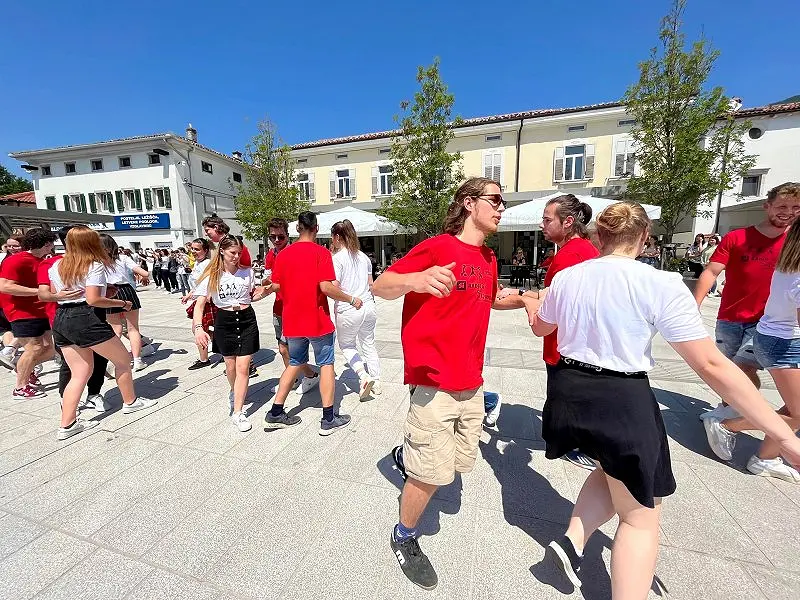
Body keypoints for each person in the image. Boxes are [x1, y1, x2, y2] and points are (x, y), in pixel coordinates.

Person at [526, 201, 800, 598]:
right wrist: (786, 436)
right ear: (643, 239)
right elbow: (710, 364)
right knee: (640, 516)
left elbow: (541, 329)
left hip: (569, 391)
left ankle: (573, 539)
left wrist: (532, 304)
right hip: (621, 397)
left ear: (599, 237)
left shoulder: (568, 277)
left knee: (611, 468)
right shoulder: (660, 283)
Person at [372, 177, 538, 590]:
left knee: (458, 464)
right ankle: (404, 535)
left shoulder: (487, 257)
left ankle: (404, 456)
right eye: (496, 200)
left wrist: (524, 298)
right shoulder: (437, 248)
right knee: (430, 475)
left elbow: (488, 296)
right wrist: (416, 279)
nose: (502, 208)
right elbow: (381, 285)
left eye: (503, 202)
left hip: (472, 382)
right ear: (469, 203)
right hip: (433, 382)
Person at [704, 216, 800, 483]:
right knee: (797, 412)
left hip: (777, 337)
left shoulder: (788, 265)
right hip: (786, 342)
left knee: (794, 409)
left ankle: (765, 458)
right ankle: (727, 425)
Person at [695, 182, 800, 421]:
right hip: (730, 316)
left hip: (767, 322)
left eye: (796, 207)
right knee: (726, 369)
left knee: (744, 368)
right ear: (767, 206)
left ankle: (739, 415)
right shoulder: (737, 237)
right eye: (782, 205)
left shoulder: (795, 245)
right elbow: (711, 272)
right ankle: (728, 408)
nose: (789, 211)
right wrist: (695, 305)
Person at [49, 226, 157, 440]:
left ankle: (67, 423)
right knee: (123, 361)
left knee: (79, 372)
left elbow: (58, 293)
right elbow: (93, 300)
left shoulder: (57, 265)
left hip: (61, 317)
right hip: (86, 318)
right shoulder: (93, 265)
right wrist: (122, 303)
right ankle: (131, 402)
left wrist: (104, 291)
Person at [262, 211, 362, 435]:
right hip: (317, 320)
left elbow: (276, 284)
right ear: (316, 228)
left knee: (295, 362)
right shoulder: (321, 253)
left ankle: (276, 412)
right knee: (326, 364)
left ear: (297, 229)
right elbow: (325, 287)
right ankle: (328, 418)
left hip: (292, 320)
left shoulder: (284, 255)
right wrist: (351, 299)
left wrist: (264, 290)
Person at [538, 194, 601, 470]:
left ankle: (577, 446)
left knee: (567, 396)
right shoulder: (583, 250)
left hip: (565, 343)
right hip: (575, 341)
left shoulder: (570, 257)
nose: (542, 224)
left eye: (547, 219)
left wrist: (527, 301)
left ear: (568, 222)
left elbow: (552, 302)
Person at [193, 235, 269, 432]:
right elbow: (199, 304)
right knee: (230, 365)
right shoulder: (213, 275)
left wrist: (266, 291)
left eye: (239, 253)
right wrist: (198, 328)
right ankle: (234, 391)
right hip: (224, 321)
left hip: (246, 319)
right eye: (232, 253)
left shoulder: (248, 273)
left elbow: (253, 295)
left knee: (244, 367)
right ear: (222, 252)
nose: (236, 257)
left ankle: (238, 412)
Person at [37, 226, 109, 412]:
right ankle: (67, 400)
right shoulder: (51, 264)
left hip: (93, 312)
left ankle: (94, 393)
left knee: (99, 358)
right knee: (71, 364)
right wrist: (61, 296)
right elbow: (44, 294)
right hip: (67, 315)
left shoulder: (91, 261)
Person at [262, 218, 319, 394]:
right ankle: (303, 376)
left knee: (288, 349)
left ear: (288, 234)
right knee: (284, 349)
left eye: (281, 236)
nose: (277, 240)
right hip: (278, 307)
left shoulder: (295, 252)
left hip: (295, 309)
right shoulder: (271, 255)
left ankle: (303, 377)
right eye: (273, 237)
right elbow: (269, 280)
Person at [0, 228, 58, 398]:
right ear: (45, 244)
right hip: (21, 311)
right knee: (34, 348)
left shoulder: (40, 260)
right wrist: (37, 292)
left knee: (49, 349)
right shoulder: (16, 261)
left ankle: (25, 368)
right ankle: (20, 387)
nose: (51, 248)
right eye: (50, 245)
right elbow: (5, 286)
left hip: (40, 310)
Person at [331, 219, 381, 399]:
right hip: (368, 305)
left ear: (337, 237)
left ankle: (363, 376)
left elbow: (334, 287)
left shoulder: (337, 259)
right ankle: (377, 380)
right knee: (368, 343)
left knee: (347, 345)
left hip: (349, 307)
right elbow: (371, 284)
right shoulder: (364, 257)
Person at [202, 214, 256, 378]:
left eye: (208, 230)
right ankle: (237, 367)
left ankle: (246, 366)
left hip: (237, 304)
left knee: (237, 359)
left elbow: (244, 268)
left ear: (217, 228)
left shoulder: (235, 245)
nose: (206, 234)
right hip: (223, 300)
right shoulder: (220, 247)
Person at [99, 234, 151, 372]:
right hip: (127, 290)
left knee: (115, 329)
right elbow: (145, 273)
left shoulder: (96, 261)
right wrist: (142, 275)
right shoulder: (123, 258)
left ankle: (113, 360)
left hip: (108, 292)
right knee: (133, 328)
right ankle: (138, 360)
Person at [182, 238, 215, 370]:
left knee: (199, 329)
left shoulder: (207, 263)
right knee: (204, 329)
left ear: (205, 250)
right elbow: (197, 284)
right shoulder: (197, 263)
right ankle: (214, 352)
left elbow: (208, 284)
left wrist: (205, 297)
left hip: (207, 301)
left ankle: (204, 359)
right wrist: (189, 295)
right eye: (192, 248)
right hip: (200, 299)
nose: (193, 251)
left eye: (197, 249)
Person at [0, 235, 24, 369]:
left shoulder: (6, 259)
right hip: (14, 300)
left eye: (15, 245)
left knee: (9, 330)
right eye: (9, 246)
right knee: (34, 329)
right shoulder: (15, 260)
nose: (11, 248)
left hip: (7, 300)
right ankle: (9, 351)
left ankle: (9, 354)